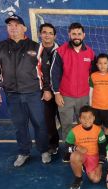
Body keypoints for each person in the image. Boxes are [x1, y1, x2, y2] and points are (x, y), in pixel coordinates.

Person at [0, 14, 51, 167]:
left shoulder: (37, 46)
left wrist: (47, 89)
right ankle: (24, 152)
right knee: (19, 125)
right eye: (10, 25)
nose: (13, 28)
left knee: (40, 123)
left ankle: (44, 150)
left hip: (33, 93)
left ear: (24, 28)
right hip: (12, 94)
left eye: (16, 25)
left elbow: (46, 71)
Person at [51, 22, 96, 162]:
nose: (76, 36)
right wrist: (57, 93)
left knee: (84, 125)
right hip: (66, 96)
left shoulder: (90, 52)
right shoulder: (60, 51)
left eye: (79, 34)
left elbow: (95, 73)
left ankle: (84, 148)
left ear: (84, 35)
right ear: (69, 35)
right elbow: (54, 74)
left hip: (83, 96)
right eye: (74, 34)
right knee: (67, 126)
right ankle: (69, 151)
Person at [65, 106, 106, 189]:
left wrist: (100, 165)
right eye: (83, 118)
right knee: (74, 156)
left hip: (93, 156)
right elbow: (67, 148)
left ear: (94, 118)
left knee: (96, 179)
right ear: (79, 119)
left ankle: (83, 166)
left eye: (90, 117)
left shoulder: (99, 131)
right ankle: (78, 179)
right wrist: (76, 147)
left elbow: (103, 149)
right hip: (81, 155)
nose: (87, 120)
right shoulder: (74, 131)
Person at [39, 22, 60, 155]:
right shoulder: (35, 51)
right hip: (45, 92)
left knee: (65, 120)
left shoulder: (61, 51)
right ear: (40, 34)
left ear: (55, 36)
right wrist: (46, 89)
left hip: (61, 92)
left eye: (50, 33)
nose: (47, 35)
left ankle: (71, 146)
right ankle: (53, 144)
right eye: (44, 32)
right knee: (49, 120)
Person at [89, 53, 108, 144]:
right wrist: (90, 105)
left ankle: (106, 143)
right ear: (96, 64)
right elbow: (90, 91)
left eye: (105, 63)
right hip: (95, 107)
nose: (102, 65)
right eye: (100, 63)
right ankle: (98, 143)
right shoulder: (93, 76)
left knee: (107, 127)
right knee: (97, 126)